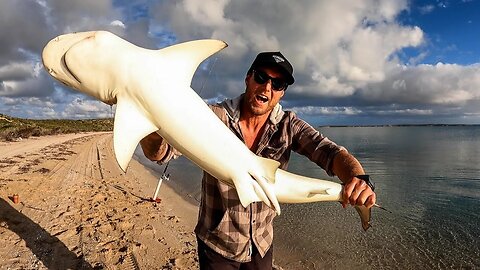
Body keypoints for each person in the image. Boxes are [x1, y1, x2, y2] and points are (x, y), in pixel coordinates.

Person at [140, 52, 376, 269]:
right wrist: (150, 120)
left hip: (261, 244)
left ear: (282, 92)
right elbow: (159, 153)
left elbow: (329, 152)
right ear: (248, 78)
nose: (267, 86)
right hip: (218, 244)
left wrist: (357, 178)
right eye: (261, 77)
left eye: (277, 83)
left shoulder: (288, 125)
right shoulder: (213, 117)